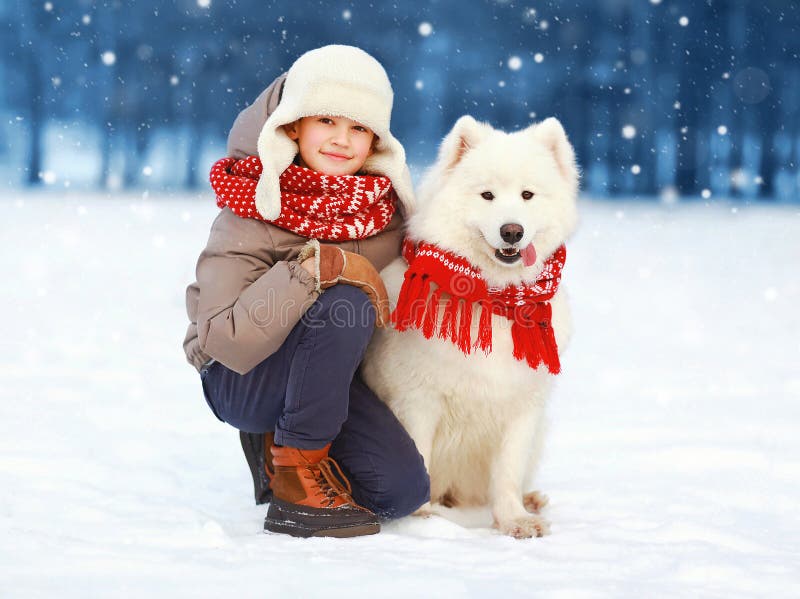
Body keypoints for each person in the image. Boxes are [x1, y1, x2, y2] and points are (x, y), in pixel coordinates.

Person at [182, 45, 429, 538]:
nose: (342, 140)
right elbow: (222, 339)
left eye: (359, 127)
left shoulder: (385, 211)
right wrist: (317, 269)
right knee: (345, 301)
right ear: (293, 125)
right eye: (326, 121)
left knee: (400, 491)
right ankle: (296, 479)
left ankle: (286, 443)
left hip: (329, 383)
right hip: (240, 378)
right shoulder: (250, 207)